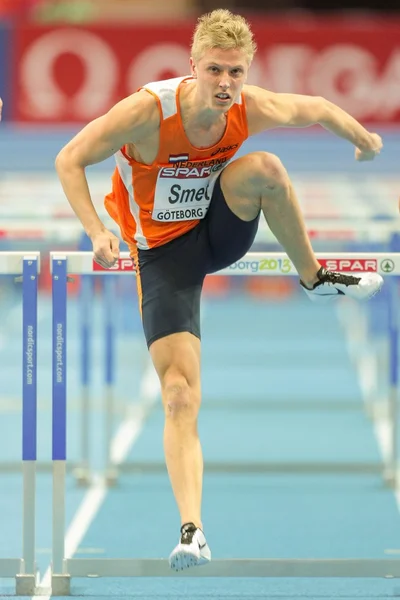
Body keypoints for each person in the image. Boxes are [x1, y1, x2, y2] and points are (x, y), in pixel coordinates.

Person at [55, 9, 384, 571]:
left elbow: (320, 108)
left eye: (236, 72)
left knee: (266, 169)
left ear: (247, 69)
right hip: (161, 256)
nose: (227, 84)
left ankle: (315, 278)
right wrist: (96, 228)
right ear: (193, 67)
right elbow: (70, 158)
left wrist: (366, 139)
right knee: (180, 394)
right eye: (215, 71)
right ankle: (193, 530)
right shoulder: (146, 113)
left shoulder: (249, 105)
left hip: (218, 227)